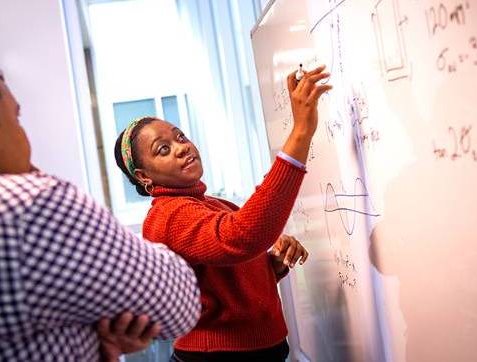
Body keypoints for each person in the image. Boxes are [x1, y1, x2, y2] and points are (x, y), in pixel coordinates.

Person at [0, 48, 201, 361]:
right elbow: (180, 304)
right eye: (15, 118)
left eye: (179, 136)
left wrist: (97, 344)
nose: (181, 149)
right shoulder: (25, 207)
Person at [113, 65, 332, 362]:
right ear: (144, 177)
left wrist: (272, 265)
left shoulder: (211, 204)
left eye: (180, 137)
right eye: (163, 149)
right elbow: (243, 237)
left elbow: (231, 271)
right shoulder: (169, 216)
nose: (181, 148)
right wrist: (301, 131)